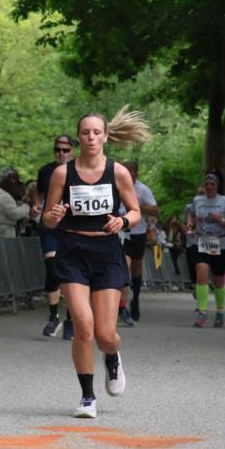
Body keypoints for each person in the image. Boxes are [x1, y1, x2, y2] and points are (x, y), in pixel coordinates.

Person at [41, 108, 147, 419]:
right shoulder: (62, 174)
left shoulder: (118, 172)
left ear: (105, 136)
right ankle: (87, 397)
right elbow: (47, 218)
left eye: (96, 132)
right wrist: (53, 216)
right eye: (85, 132)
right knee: (83, 326)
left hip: (107, 253)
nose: (91, 137)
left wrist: (124, 220)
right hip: (72, 250)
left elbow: (136, 211)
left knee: (105, 334)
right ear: (78, 137)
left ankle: (112, 356)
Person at [34, 134, 76, 340]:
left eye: (65, 150)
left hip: (70, 228)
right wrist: (36, 204)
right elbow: (39, 192)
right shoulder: (46, 170)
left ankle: (70, 320)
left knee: (68, 273)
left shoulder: (79, 170)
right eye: (57, 149)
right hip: (49, 224)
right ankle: (53, 317)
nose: (61, 153)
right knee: (52, 269)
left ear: (73, 151)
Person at [190, 172, 225, 327]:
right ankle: (202, 312)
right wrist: (192, 223)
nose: (209, 187)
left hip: (221, 244)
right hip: (202, 242)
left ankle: (220, 312)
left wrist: (222, 220)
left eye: (213, 184)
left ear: (217, 186)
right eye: (207, 184)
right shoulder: (197, 200)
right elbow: (191, 216)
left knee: (218, 281)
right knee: (201, 272)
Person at [117, 160, 158, 324]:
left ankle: (136, 298)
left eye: (129, 171)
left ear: (136, 173)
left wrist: (139, 207)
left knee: (136, 265)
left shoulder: (142, 190)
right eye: (124, 170)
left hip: (137, 232)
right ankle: (121, 306)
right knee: (124, 265)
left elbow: (155, 210)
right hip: (120, 232)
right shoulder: (114, 186)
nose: (126, 174)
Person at [0, 171, 30, 237]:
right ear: (12, 184)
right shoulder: (4, 197)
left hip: (0, 238)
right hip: (1, 240)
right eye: (18, 185)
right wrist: (26, 206)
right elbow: (15, 214)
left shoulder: (0, 196)